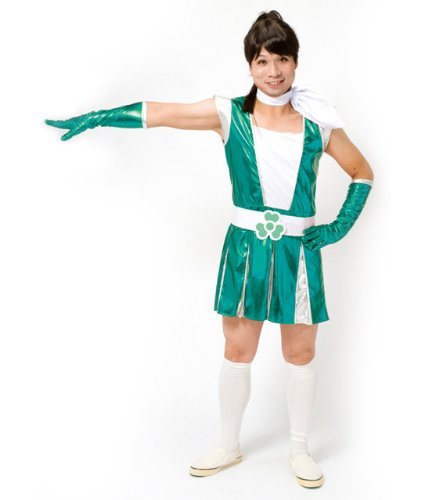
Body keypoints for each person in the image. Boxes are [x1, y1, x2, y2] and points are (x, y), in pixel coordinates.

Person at [45, 10, 374, 489]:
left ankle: (300, 449)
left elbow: (362, 172)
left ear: (296, 62)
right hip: (244, 250)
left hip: (299, 253)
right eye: (263, 61)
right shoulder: (229, 114)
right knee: (237, 348)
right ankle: (228, 444)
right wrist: (98, 118)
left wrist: (337, 228)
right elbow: (161, 113)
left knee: (300, 351)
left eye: (282, 59)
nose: (274, 71)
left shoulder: (319, 124)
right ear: (250, 65)